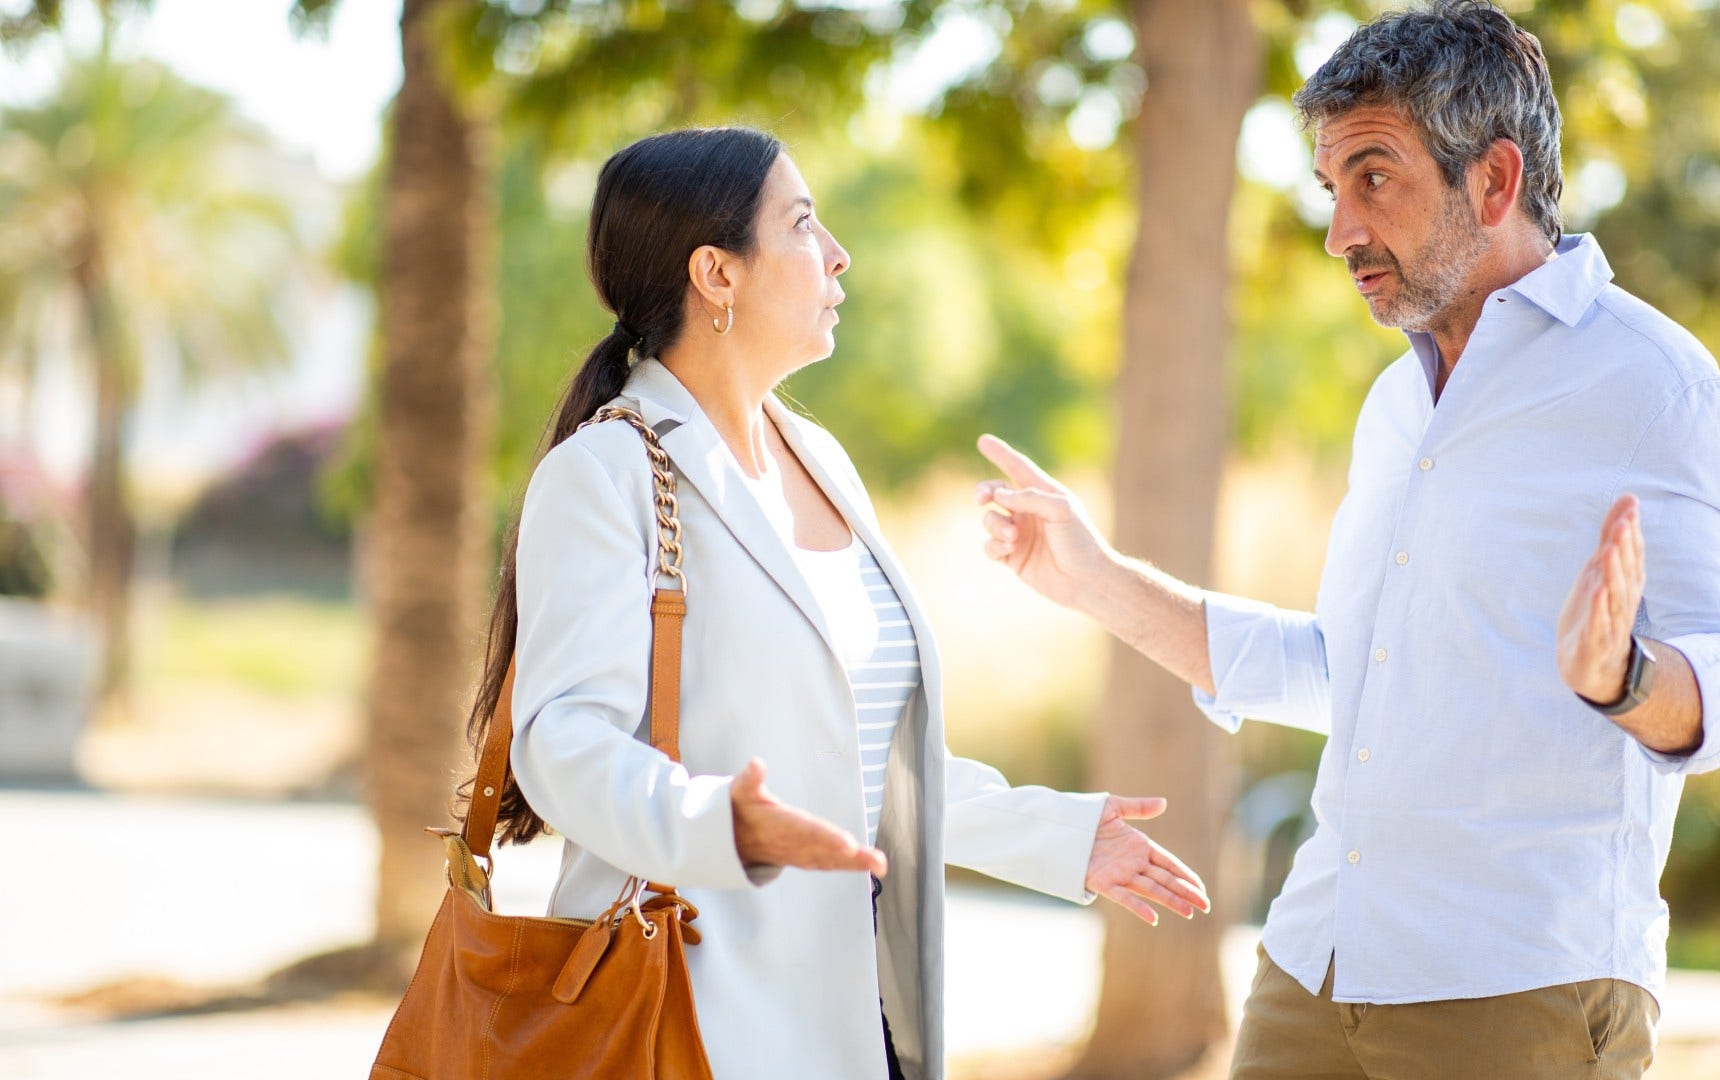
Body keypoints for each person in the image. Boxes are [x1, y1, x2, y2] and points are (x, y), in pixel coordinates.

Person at [974, 3, 1720, 1077]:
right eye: (1332, 189)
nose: (1339, 233)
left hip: (1514, 988)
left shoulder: (1653, 385)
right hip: (1315, 967)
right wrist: (1093, 580)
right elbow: (1347, 676)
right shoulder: (1397, 406)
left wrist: (1624, 677)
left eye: (1375, 179)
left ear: (1493, 182)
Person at [465, 126, 1211, 1080]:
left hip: (867, 1006)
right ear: (716, 273)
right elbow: (562, 740)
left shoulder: (822, 462)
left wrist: (1055, 835)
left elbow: (862, 762)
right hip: (694, 1007)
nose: (838, 253)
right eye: (805, 222)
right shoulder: (601, 473)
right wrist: (714, 824)